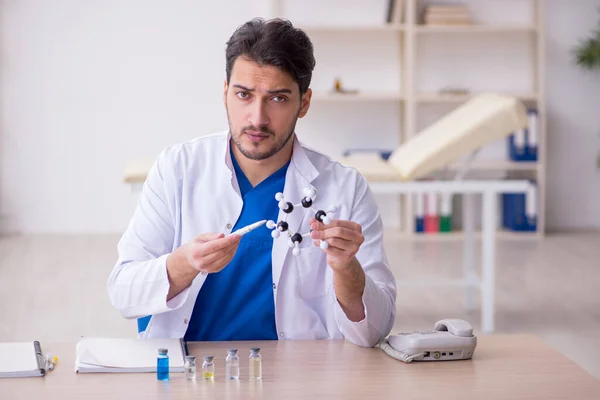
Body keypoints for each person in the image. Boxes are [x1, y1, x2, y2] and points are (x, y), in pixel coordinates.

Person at [107, 17, 396, 348]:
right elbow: (123, 292)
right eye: (244, 95)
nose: (257, 118)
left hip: (300, 378)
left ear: (304, 103)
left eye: (277, 98)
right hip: (191, 375)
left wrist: (346, 268)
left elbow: (375, 330)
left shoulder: (346, 188)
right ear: (225, 92)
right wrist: (185, 263)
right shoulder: (177, 169)